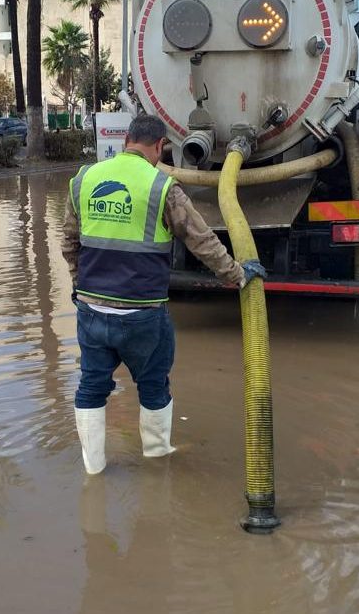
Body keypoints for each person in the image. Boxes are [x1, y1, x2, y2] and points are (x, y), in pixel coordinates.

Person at [61, 114, 267, 475]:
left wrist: (80, 287)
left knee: (91, 387)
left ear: (126, 140)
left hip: (91, 312)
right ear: (159, 146)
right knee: (153, 387)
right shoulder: (162, 186)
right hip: (143, 315)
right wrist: (238, 274)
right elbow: (201, 241)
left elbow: (69, 243)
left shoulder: (83, 180)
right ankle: (157, 463)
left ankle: (93, 470)